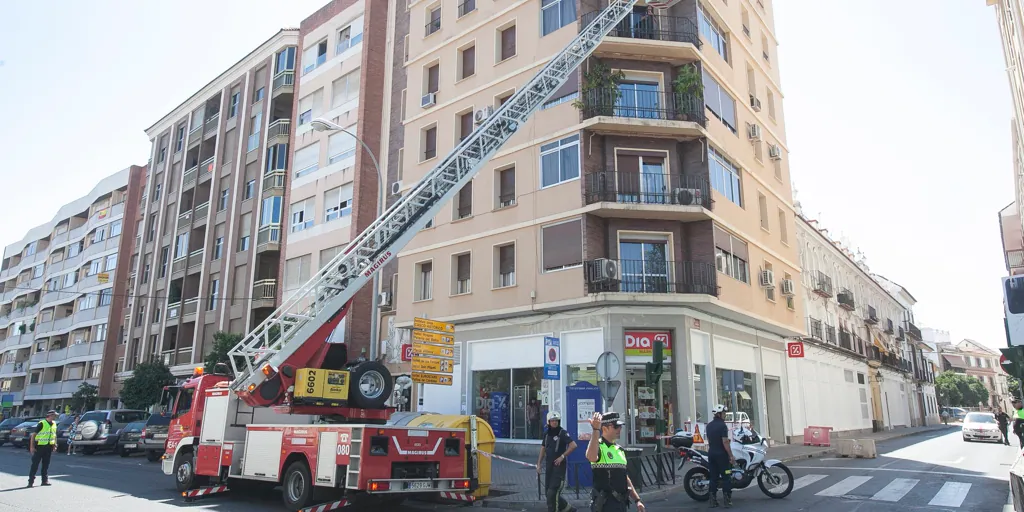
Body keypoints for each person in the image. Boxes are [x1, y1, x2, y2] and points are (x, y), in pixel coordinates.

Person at [585, 412, 645, 512]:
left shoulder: (619, 450)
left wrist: (637, 500)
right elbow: (590, 457)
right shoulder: (599, 446)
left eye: (620, 426)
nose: (619, 429)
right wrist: (595, 430)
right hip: (605, 505)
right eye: (616, 426)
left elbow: (624, 477)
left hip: (621, 504)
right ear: (605, 428)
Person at [536, 411, 578, 512]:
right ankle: (568, 508)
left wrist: (562, 456)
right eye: (552, 421)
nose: (554, 423)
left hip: (559, 468)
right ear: (548, 422)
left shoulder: (562, 433)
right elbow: (543, 448)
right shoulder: (546, 434)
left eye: (556, 421)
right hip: (549, 467)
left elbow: (573, 445)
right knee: (548, 493)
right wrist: (539, 464)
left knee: (552, 493)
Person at [705, 405, 737, 508]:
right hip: (722, 456)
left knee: (713, 478)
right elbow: (725, 442)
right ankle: (727, 501)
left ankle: (712, 501)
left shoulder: (709, 426)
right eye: (724, 414)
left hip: (712, 454)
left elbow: (710, 441)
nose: (725, 415)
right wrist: (731, 456)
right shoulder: (723, 426)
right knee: (726, 477)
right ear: (719, 414)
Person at [28, 410, 58, 487]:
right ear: (50, 415)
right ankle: (30, 482)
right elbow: (33, 435)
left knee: (46, 465)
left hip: (48, 447)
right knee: (35, 465)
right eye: (54, 415)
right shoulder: (42, 423)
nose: (55, 417)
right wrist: (32, 447)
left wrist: (54, 444)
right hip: (39, 447)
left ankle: (44, 481)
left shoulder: (54, 424)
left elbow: (54, 435)